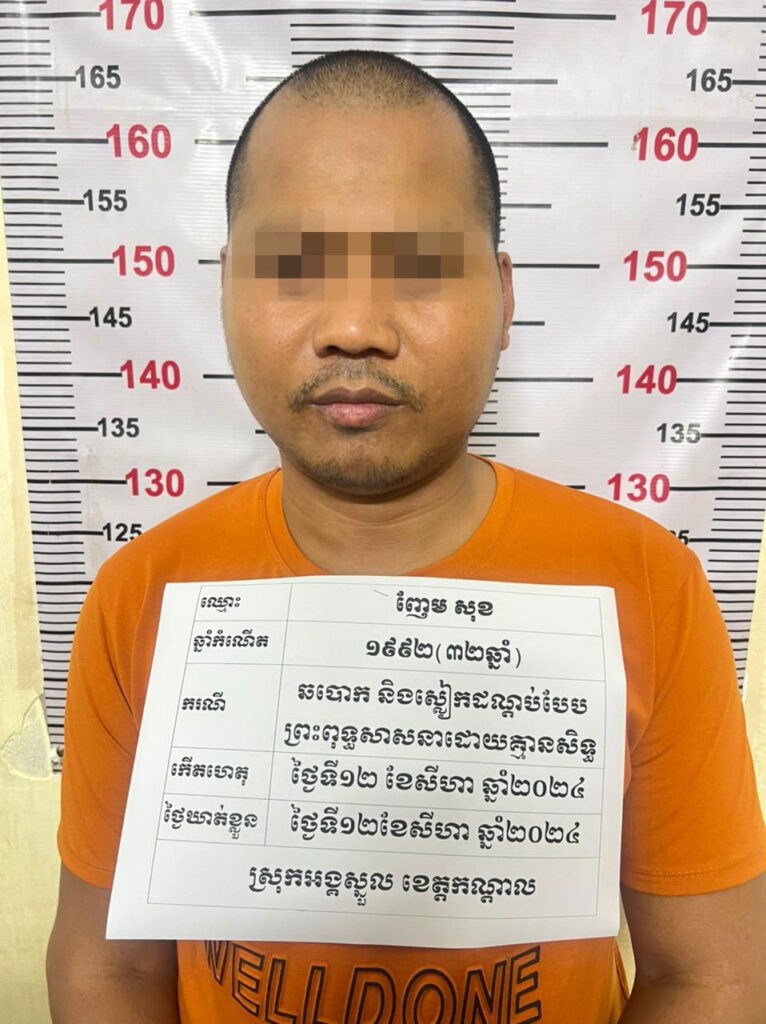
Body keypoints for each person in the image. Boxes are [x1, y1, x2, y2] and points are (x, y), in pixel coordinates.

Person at [46, 49, 766, 1024]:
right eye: (294, 268)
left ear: (504, 298)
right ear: (224, 291)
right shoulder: (142, 592)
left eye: (419, 267)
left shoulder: (645, 583)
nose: (354, 326)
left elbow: (712, 977)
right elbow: (109, 974)